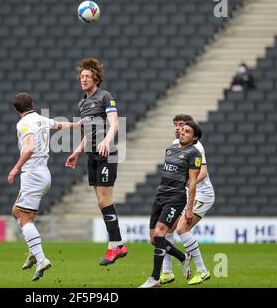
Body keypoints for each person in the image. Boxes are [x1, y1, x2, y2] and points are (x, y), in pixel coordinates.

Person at [8, 92, 80, 281]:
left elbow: (30, 147)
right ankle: (33, 250)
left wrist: (15, 168)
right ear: (32, 104)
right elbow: (60, 125)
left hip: (32, 175)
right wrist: (78, 125)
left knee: (26, 221)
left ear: (17, 110)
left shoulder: (23, 123)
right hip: (44, 175)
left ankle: (41, 259)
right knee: (16, 211)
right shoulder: (40, 119)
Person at [65, 57, 128, 266]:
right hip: (92, 155)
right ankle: (117, 246)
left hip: (106, 154)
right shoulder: (82, 103)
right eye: (81, 77)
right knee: (101, 202)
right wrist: (77, 152)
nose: (83, 79)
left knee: (104, 200)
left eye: (87, 76)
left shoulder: (105, 96)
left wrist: (107, 142)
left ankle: (116, 246)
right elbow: (89, 134)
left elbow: (115, 123)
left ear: (96, 79)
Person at [139, 120, 202, 288]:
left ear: (194, 137)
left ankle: (155, 278)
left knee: (160, 234)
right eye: (182, 130)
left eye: (187, 131)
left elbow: (193, 182)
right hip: (160, 195)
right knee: (154, 239)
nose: (182, 132)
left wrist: (189, 208)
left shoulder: (193, 153)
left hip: (176, 197)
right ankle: (182, 257)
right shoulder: (170, 149)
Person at [160, 114, 215, 285]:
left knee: (182, 228)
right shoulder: (174, 145)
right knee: (168, 229)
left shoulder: (196, 147)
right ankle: (167, 272)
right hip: (185, 194)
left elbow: (203, 172)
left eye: (182, 125)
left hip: (201, 194)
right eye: (176, 125)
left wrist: (185, 184)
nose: (178, 128)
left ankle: (202, 270)